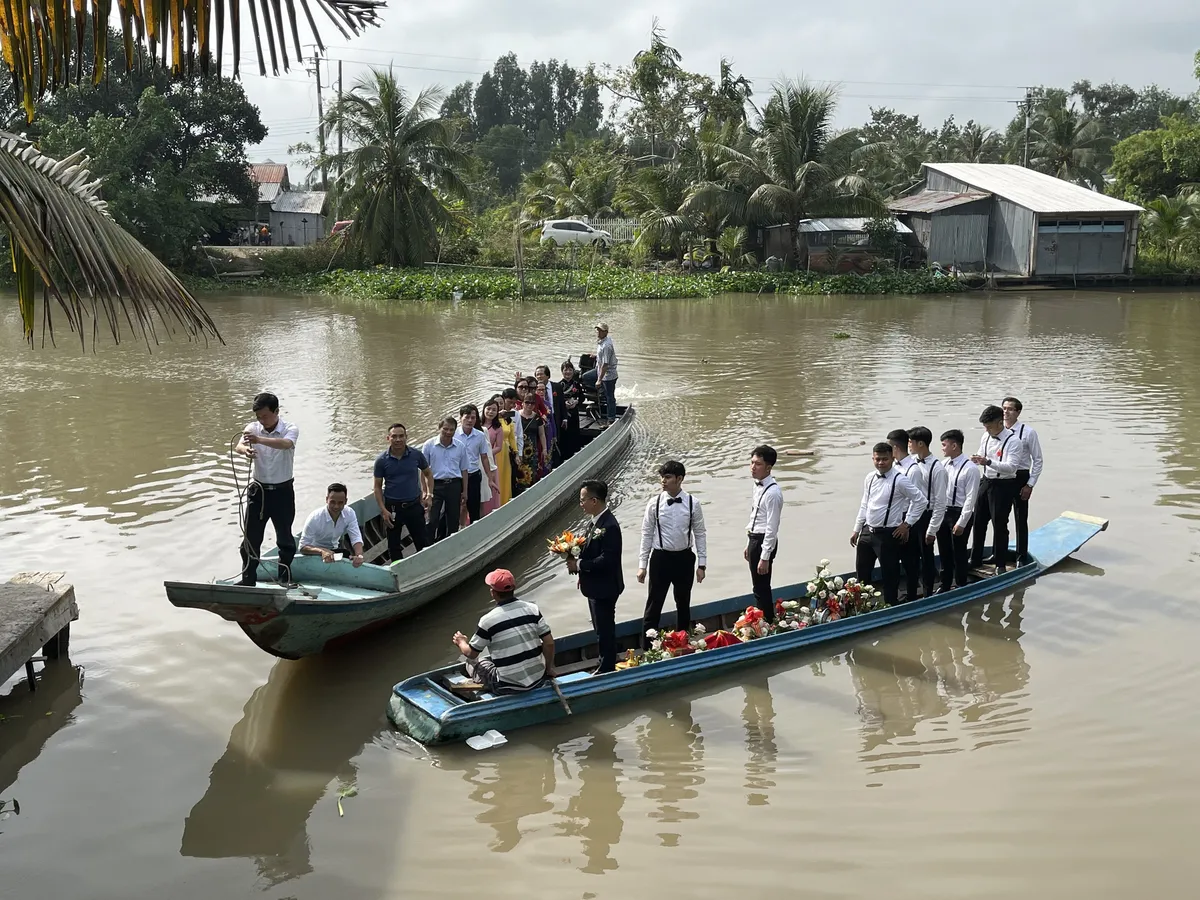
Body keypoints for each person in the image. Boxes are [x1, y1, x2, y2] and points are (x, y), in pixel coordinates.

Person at [452, 569, 556, 693]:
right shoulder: (533, 609)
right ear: (514, 588)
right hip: (538, 678)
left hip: (507, 685)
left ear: (493, 593)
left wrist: (461, 642)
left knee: (473, 662)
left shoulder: (487, 621)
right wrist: (548, 669)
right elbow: (549, 643)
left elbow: (471, 653)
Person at [637, 460, 707, 643]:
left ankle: (683, 642)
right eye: (662, 477)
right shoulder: (654, 503)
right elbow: (646, 533)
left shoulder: (693, 503)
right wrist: (642, 565)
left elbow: (700, 534)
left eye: (667, 477)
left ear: (679, 479)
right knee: (654, 603)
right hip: (661, 558)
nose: (663, 481)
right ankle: (648, 649)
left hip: (684, 558)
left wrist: (702, 564)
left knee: (683, 603)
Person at [850, 443, 928, 606]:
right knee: (862, 573)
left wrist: (907, 524)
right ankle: (861, 607)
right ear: (872, 458)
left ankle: (890, 606)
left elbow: (921, 501)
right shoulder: (870, 478)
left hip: (888, 535)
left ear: (892, 458)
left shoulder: (900, 480)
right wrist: (856, 529)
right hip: (867, 532)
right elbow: (865, 504)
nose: (880, 463)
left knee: (889, 575)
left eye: (884, 459)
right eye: (877, 459)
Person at [235, 392, 299, 586]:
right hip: (258, 492)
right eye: (258, 417)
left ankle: (284, 578)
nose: (261, 420)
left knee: (285, 538)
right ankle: (248, 579)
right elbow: (239, 444)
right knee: (251, 538)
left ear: (276, 411)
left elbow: (286, 444)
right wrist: (245, 450)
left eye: (265, 416)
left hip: (282, 492)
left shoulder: (290, 428)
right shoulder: (252, 428)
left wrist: (260, 440)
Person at [566, 480, 624, 674]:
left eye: (583, 500)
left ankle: (607, 667)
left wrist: (580, 565)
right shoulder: (594, 522)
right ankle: (607, 658)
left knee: (604, 628)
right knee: (600, 627)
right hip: (594, 586)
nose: (580, 504)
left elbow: (608, 560)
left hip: (605, 587)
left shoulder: (610, 526)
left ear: (594, 500)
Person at [969, 405, 1032, 574]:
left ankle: (1000, 563)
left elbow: (1011, 468)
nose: (987, 429)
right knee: (979, 521)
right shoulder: (986, 436)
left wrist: (988, 462)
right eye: (985, 426)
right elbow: (982, 454)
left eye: (989, 426)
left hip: (1003, 485)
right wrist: (976, 459)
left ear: (999, 423)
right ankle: (975, 559)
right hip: (986, 481)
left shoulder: (1014, 441)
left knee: (999, 524)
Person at [373, 423, 433, 562]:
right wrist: (383, 510)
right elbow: (377, 487)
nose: (398, 439)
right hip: (392, 509)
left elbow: (428, 474)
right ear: (388, 438)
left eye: (401, 436)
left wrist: (429, 494)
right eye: (394, 436)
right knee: (393, 545)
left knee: (422, 541)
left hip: (413, 505)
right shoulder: (381, 460)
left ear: (406, 437)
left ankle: (425, 567)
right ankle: (398, 574)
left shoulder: (416, 455)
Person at [902, 426, 948, 599]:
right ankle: (911, 592)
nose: (908, 445)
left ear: (920, 443)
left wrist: (932, 529)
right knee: (909, 556)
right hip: (911, 514)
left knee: (926, 556)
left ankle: (928, 593)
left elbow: (940, 502)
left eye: (910, 442)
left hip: (927, 516)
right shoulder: (911, 462)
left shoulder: (937, 468)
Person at [936, 429, 981, 592]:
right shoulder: (943, 465)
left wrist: (962, 522)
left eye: (944, 445)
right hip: (944, 512)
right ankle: (945, 583)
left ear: (954, 445)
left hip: (960, 512)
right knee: (944, 549)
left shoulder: (971, 469)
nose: (942, 448)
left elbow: (971, 499)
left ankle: (961, 583)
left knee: (959, 551)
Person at [744, 444, 783, 623]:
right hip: (754, 538)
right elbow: (755, 516)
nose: (753, 467)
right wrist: (748, 544)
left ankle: (766, 622)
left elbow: (771, 527)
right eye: (752, 463)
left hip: (764, 541)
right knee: (757, 586)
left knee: (761, 587)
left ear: (768, 467)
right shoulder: (756, 486)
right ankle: (764, 620)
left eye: (758, 464)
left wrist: (765, 556)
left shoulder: (773, 493)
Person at [1002, 396, 1043, 564]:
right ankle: (1000, 553)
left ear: (1018, 412)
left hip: (1020, 476)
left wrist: (1030, 484)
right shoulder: (997, 431)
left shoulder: (1028, 432)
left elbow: (1038, 460)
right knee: (1000, 518)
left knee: (1020, 518)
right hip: (1003, 476)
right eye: (1004, 408)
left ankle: (1021, 556)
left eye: (1010, 409)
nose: (1006, 412)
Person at [422, 417, 469, 543]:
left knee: (453, 519)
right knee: (432, 519)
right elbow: (423, 471)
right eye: (445, 429)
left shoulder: (460, 446)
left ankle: (450, 545)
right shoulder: (429, 445)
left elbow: (464, 470)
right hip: (435, 486)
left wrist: (465, 491)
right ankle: (429, 546)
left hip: (454, 485)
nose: (448, 432)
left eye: (451, 430)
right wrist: (424, 491)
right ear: (439, 428)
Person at [298, 483, 365, 566]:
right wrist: (322, 551)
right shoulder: (315, 518)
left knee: (347, 554)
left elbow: (356, 537)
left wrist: (359, 555)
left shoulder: (349, 513)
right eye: (332, 502)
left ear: (346, 501)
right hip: (314, 553)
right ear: (326, 500)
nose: (336, 506)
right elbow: (302, 547)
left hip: (334, 551)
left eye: (340, 503)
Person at [455, 404, 492, 524]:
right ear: (460, 418)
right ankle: (459, 529)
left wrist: (490, 478)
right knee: (459, 506)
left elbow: (484, 458)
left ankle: (475, 530)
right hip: (457, 476)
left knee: (474, 507)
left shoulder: (480, 435)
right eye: (467, 417)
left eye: (473, 417)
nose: (470, 420)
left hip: (474, 475)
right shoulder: (453, 435)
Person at [581, 322, 619, 425]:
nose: (598, 332)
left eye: (600, 330)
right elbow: (603, 357)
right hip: (600, 370)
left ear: (606, 332)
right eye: (597, 330)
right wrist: (596, 356)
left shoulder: (606, 345)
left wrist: (599, 380)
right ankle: (600, 393)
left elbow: (605, 364)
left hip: (608, 375)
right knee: (585, 377)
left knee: (609, 397)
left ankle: (611, 418)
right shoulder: (602, 341)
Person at [482, 399, 512, 510]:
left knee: (491, 486)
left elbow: (499, 447)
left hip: (490, 460)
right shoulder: (477, 424)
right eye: (488, 409)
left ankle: (489, 511)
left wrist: (485, 454)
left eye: (494, 410)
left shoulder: (497, 428)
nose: (490, 412)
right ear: (484, 409)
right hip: (476, 461)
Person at [556, 360, 585, 461]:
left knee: (574, 434)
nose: (567, 372)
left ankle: (575, 455)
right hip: (564, 415)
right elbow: (557, 401)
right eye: (565, 370)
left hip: (574, 414)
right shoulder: (558, 386)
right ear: (562, 371)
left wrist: (576, 402)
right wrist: (564, 404)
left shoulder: (577, 385)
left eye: (570, 370)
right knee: (564, 436)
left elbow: (582, 398)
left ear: (573, 371)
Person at [518, 393, 547, 486]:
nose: (529, 405)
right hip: (519, 448)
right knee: (518, 472)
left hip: (532, 450)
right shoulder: (516, 416)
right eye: (527, 402)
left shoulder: (537, 418)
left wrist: (544, 449)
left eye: (532, 403)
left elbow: (542, 434)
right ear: (522, 403)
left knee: (531, 472)